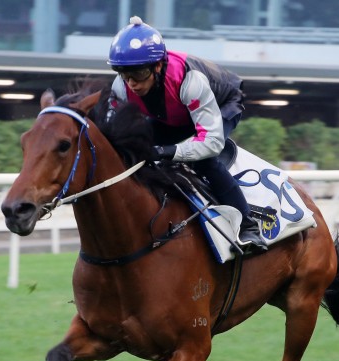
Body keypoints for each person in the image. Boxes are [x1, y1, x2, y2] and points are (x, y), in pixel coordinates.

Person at [107, 16, 267, 252]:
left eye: (139, 74)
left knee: (205, 161)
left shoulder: (190, 81)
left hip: (222, 104)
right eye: (124, 74)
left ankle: (248, 227)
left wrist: (169, 151)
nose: (132, 83)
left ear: (158, 66)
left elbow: (210, 143)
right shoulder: (120, 88)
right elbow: (114, 136)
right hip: (178, 112)